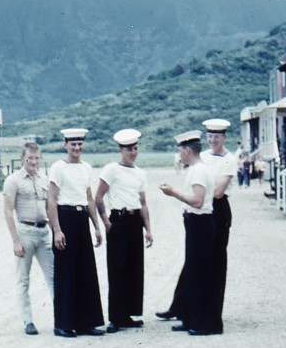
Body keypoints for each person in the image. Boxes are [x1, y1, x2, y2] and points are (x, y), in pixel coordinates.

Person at [158, 119, 231, 333]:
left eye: (181, 150)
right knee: (194, 272)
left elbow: (198, 201)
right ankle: (192, 319)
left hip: (200, 224)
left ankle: (205, 324)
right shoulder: (198, 169)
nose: (179, 154)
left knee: (200, 273)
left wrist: (173, 193)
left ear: (188, 150)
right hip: (196, 222)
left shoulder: (198, 171)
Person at [47, 127, 105, 338]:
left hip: (82, 220)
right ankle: (63, 324)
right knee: (67, 274)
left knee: (86, 272)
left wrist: (96, 226)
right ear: (65, 145)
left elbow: (89, 198)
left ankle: (86, 323)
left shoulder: (87, 168)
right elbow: (51, 200)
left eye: (80, 144)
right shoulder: (58, 168)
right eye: (73, 144)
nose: (77, 148)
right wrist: (57, 230)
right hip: (65, 218)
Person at [94, 128, 153, 333]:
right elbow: (98, 197)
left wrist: (148, 229)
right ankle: (115, 318)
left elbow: (143, 202)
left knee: (134, 269)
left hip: (135, 221)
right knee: (117, 269)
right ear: (120, 149)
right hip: (118, 221)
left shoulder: (139, 173)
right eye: (128, 148)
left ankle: (128, 314)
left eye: (135, 148)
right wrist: (105, 222)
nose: (133, 152)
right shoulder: (111, 169)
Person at [2, 142, 54, 336]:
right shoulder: (13, 181)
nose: (33, 161)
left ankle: (61, 318)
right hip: (25, 232)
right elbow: (8, 211)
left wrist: (55, 231)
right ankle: (28, 321)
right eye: (29, 158)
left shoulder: (44, 179)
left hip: (44, 232)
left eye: (36, 157)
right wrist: (15, 241)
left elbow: (49, 207)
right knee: (23, 279)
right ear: (23, 158)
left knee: (53, 277)